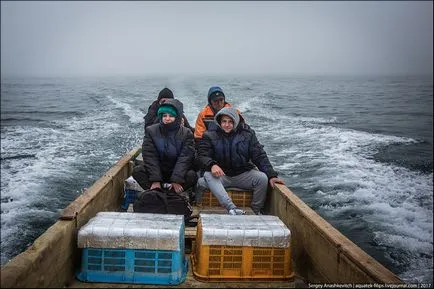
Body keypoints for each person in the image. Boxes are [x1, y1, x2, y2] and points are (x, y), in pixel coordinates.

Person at [196, 107, 285, 215]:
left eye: (230, 122)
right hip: (220, 176)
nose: (227, 125)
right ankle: (232, 208)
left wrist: (271, 175)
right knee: (205, 177)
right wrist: (212, 165)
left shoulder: (248, 134)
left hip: (242, 174)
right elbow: (202, 155)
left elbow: (259, 155)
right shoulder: (209, 135)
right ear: (219, 122)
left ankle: (255, 211)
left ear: (236, 122)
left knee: (262, 179)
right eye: (224, 121)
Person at [133, 98, 198, 194]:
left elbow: (185, 158)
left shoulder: (186, 133)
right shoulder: (151, 131)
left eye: (171, 116)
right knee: (137, 171)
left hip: (176, 171)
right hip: (158, 171)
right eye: (164, 115)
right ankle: (157, 192)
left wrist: (176, 180)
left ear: (178, 117)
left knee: (192, 176)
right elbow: (150, 156)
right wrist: (155, 180)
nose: (167, 119)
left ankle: (170, 194)